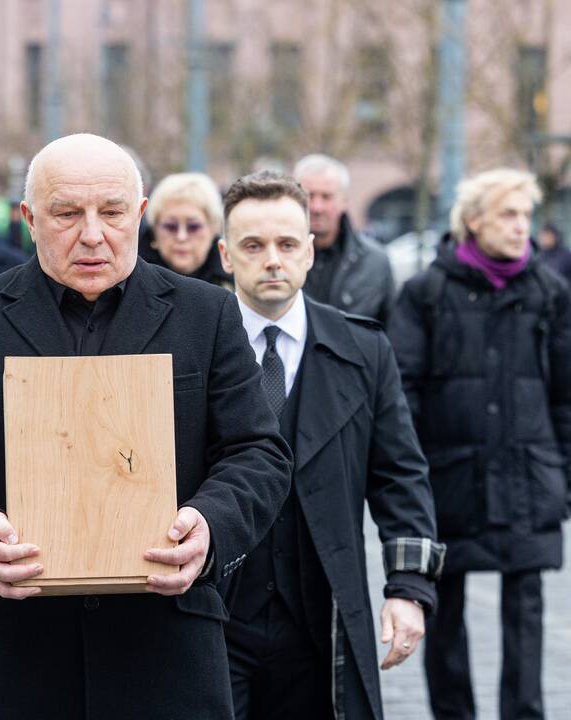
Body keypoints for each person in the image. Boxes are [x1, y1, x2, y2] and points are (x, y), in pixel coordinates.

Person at [0, 133, 292, 718]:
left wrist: (211, 525)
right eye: (67, 214)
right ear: (28, 218)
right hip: (15, 651)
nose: (93, 234)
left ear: (142, 215)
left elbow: (258, 451)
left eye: (112, 212)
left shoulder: (207, 313)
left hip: (166, 651)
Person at [215, 171, 444, 719]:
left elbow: (399, 474)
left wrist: (409, 587)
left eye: (287, 244)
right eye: (253, 245)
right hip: (212, 610)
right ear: (226, 255)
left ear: (310, 252)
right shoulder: (192, 347)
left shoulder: (363, 350)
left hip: (322, 614)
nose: (272, 259)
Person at [387, 169, 571, 720]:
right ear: (472, 221)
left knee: (526, 610)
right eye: (509, 215)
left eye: (527, 216)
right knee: (443, 610)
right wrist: (412, 476)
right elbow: (404, 393)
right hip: (450, 475)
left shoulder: (550, 292)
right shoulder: (426, 292)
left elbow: (566, 395)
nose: (523, 228)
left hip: (528, 473)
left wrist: (565, 476)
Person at [293, 154, 395, 322]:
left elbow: (390, 333)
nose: (317, 207)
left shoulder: (376, 262)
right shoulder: (275, 259)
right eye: (309, 196)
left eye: (327, 197)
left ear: (344, 201)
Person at [145, 172, 232, 288]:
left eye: (193, 227)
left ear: (213, 229)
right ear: (154, 231)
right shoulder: (132, 281)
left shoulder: (236, 284)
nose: (181, 237)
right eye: (171, 226)